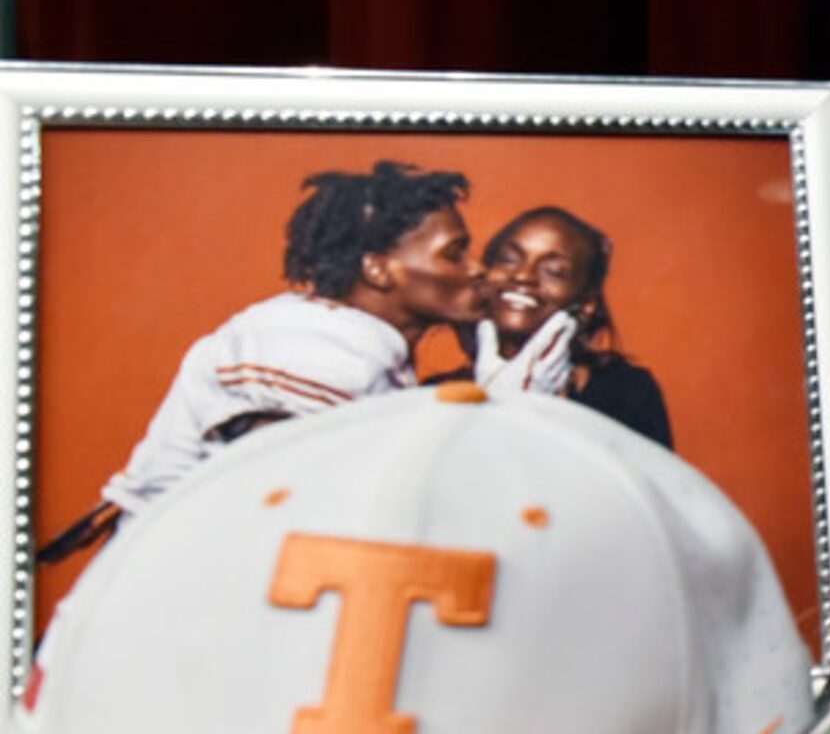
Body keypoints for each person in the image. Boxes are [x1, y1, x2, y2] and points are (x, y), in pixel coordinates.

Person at [42, 162, 485, 560]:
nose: (476, 269)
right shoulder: (310, 340)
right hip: (171, 594)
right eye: (454, 253)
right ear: (377, 269)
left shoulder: (359, 339)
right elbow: (277, 503)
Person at [460, 206, 674, 448]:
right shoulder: (440, 392)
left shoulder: (624, 392)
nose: (523, 276)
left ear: (586, 303)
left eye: (554, 272)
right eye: (509, 259)